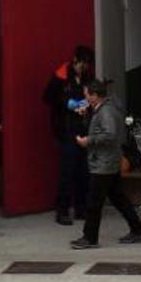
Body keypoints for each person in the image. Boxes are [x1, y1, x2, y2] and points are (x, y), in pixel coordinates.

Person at [70, 80, 141, 249]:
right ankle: (138, 228)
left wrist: (88, 141)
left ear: (95, 96)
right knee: (118, 197)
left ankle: (89, 237)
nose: (85, 98)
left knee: (94, 201)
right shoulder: (102, 109)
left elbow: (109, 134)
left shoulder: (106, 112)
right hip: (109, 160)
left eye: (87, 95)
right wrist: (86, 116)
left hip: (104, 162)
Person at [43, 46, 94, 226]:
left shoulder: (87, 77)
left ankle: (81, 208)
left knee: (83, 170)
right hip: (66, 128)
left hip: (83, 127)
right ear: (75, 60)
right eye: (82, 64)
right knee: (67, 170)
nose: (84, 67)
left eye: (86, 64)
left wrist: (85, 105)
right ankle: (62, 210)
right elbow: (48, 97)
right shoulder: (61, 75)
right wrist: (68, 104)